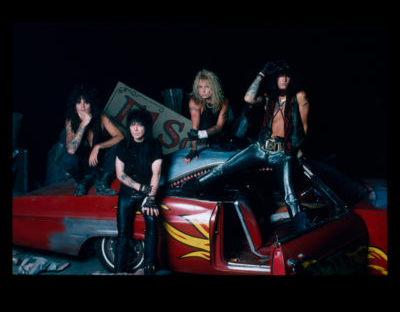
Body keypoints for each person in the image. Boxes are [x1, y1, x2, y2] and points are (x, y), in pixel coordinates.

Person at [182, 61, 310, 230]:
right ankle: (187, 190)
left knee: (289, 195)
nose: (284, 79)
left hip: (282, 152)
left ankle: (301, 231)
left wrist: (298, 150)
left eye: (286, 76)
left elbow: (304, 127)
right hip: (260, 147)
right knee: (223, 169)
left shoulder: (299, 96)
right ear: (275, 78)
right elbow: (248, 98)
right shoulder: (269, 97)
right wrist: (261, 74)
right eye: (280, 76)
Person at [114, 109, 163, 275]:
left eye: (139, 125)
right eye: (132, 125)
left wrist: (151, 198)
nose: (135, 129)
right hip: (128, 193)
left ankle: (149, 268)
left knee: (152, 227)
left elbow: (156, 173)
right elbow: (120, 174)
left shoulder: (154, 146)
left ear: (146, 127)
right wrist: (139, 187)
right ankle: (119, 271)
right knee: (123, 234)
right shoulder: (123, 145)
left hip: (147, 193)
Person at [62, 84, 124, 196]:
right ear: (74, 106)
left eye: (86, 102)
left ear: (92, 104)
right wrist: (84, 124)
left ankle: (102, 182)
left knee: (121, 145)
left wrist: (98, 146)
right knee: (67, 159)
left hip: (100, 163)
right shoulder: (70, 121)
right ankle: (81, 182)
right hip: (83, 166)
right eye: (78, 102)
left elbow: (120, 137)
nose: (82, 106)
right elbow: (71, 150)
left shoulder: (101, 118)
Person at [184, 69, 229, 164]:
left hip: (222, 136)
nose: (203, 91)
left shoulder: (223, 101)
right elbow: (194, 129)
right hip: (204, 139)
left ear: (214, 88)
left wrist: (200, 134)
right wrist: (193, 150)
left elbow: (219, 127)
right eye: (200, 87)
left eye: (207, 87)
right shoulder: (195, 101)